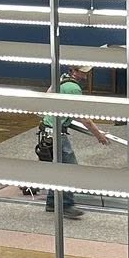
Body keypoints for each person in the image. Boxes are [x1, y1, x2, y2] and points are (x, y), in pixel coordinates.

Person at [43, 69, 100, 219]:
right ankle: (67, 205)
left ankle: (51, 202)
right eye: (83, 72)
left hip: (46, 130)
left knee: (57, 168)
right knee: (70, 169)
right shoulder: (73, 88)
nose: (86, 74)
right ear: (74, 71)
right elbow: (84, 118)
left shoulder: (61, 79)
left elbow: (47, 96)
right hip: (56, 133)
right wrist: (99, 135)